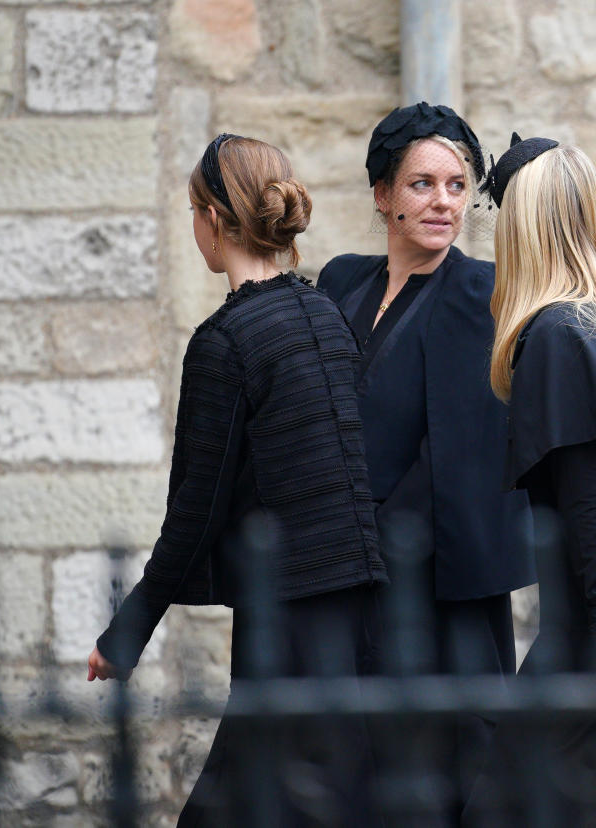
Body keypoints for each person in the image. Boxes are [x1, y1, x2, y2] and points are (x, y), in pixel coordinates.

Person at [87, 134, 387, 826]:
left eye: (194, 210)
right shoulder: (327, 316)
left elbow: (196, 509)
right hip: (359, 610)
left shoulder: (225, 343)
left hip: (289, 618)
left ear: (213, 220)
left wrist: (126, 631)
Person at [315, 103, 534, 826]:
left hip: (436, 591)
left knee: (439, 783)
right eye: (422, 184)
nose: (445, 202)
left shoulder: (482, 292)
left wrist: (367, 542)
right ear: (383, 195)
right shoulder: (343, 284)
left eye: (457, 184)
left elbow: (461, 453)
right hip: (343, 588)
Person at [463, 137, 596, 827]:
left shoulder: (555, 334)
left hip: (595, 623)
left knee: (507, 807)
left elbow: (584, 499)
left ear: (522, 226)